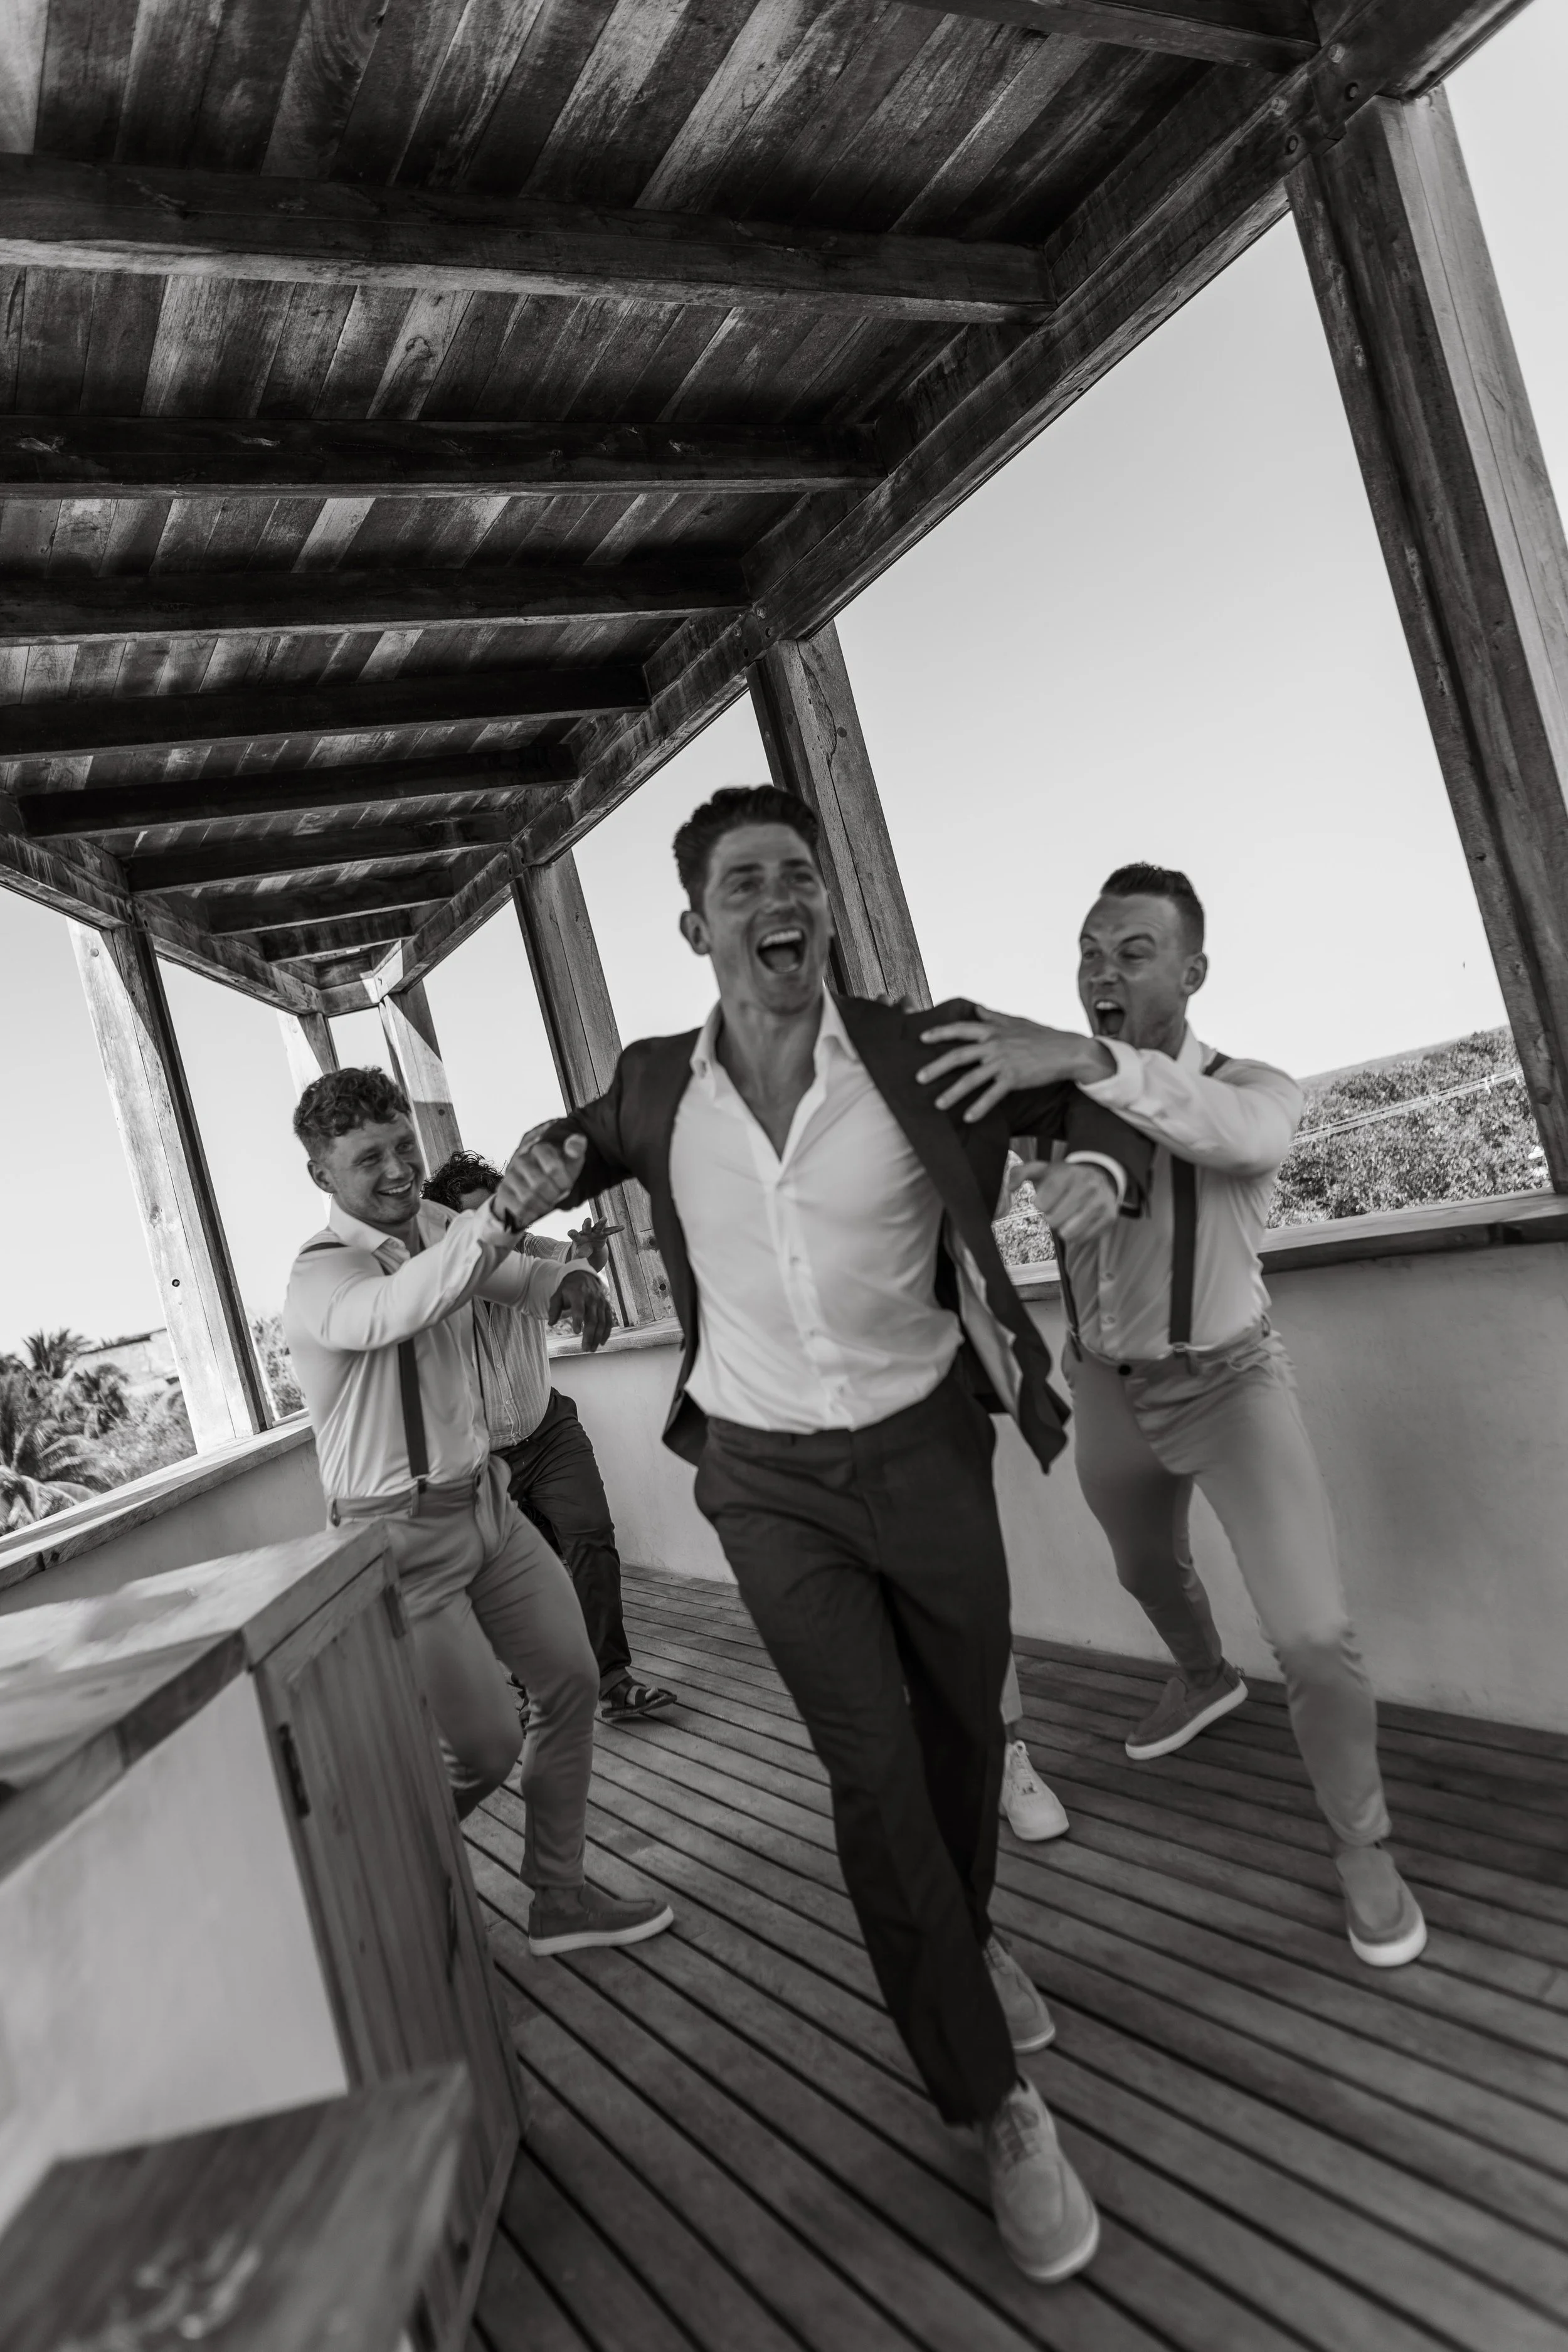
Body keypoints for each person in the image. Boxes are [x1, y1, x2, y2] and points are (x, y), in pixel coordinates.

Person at [499, 785, 1157, 2284]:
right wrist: (541, 1156)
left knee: (961, 1746)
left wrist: (1097, 1167)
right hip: (764, 1475)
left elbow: (1088, 1101)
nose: (778, 898)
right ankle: (991, 2096)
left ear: (824, 908)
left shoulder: (929, 1047)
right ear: (697, 924)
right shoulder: (660, 1079)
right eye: (744, 883)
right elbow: (585, 1138)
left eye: (798, 874)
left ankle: (969, 1939)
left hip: (926, 1446)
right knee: (871, 1769)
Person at [914, 862, 1426, 1970]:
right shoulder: (1054, 1111)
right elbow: (963, 1182)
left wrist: (1093, 1059)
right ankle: (1201, 1675)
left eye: (1132, 951)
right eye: (1091, 951)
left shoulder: (1257, 1085)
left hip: (1233, 1385)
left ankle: (1364, 1847)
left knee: (1313, 1635)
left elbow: (1238, 1140)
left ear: (1193, 973)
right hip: (1107, 1388)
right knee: (1145, 1568)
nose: (1103, 969)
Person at [282, 1066, 674, 1960]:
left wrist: (566, 1277)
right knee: (485, 1748)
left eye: (402, 1147)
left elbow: (503, 1273)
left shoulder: (434, 1225)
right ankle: (369, 1871)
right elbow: (406, 1303)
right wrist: (494, 1218)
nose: (395, 1170)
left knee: (573, 1680)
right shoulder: (322, 1276)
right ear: (322, 1176)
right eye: (367, 1157)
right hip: (397, 1538)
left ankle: (559, 1895)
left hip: (486, 1506)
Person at [422, 1148, 679, 1724]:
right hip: (478, 1461)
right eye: (473, 1222)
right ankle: (532, 1685)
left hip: (548, 1429)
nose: (493, 1233)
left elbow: (576, 1267)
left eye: (499, 1216)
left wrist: (592, 1255)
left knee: (590, 1537)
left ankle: (612, 1681)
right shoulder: (428, 1280)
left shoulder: (528, 1250)